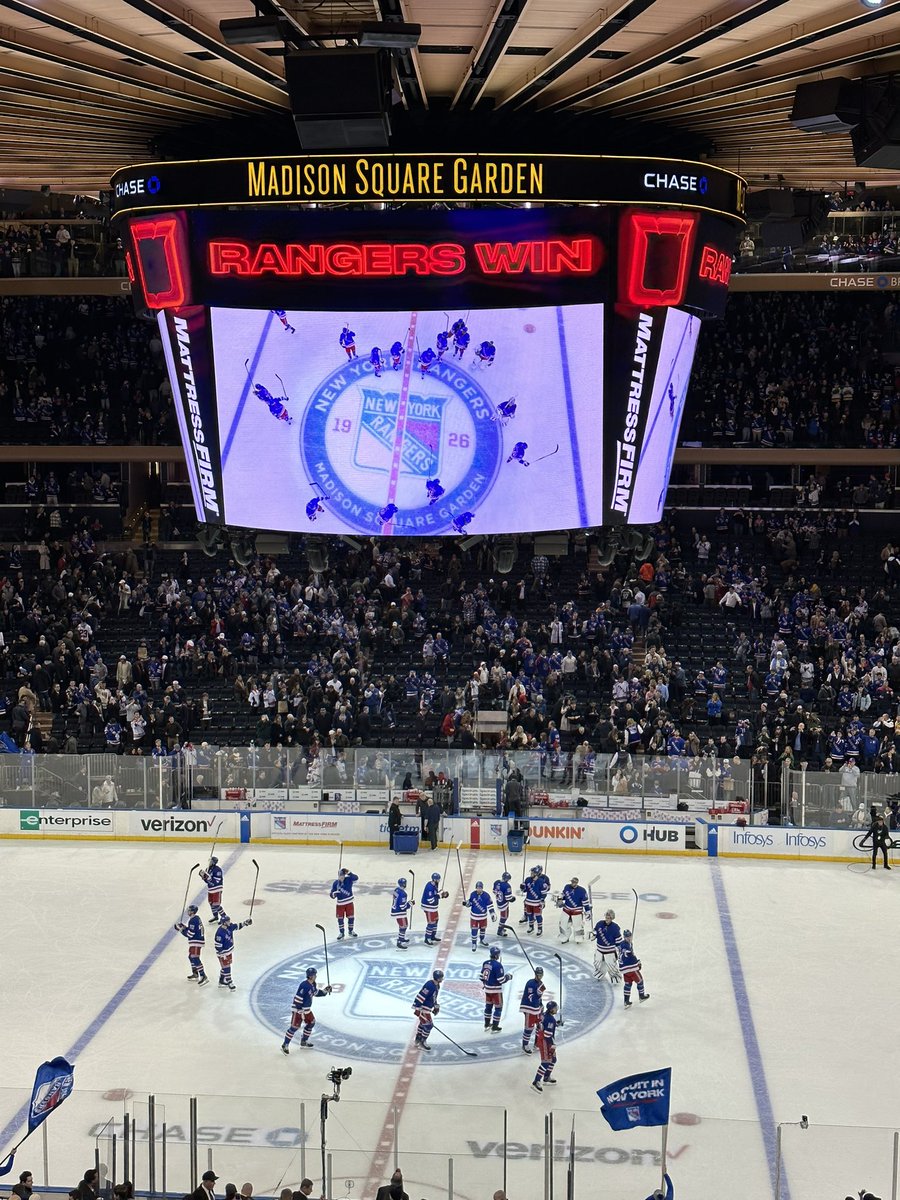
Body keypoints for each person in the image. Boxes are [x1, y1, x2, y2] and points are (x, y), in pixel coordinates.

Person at [281, 967, 332, 1053]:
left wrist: (325, 991)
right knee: (294, 1027)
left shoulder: (313, 984)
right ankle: (285, 1045)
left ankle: (304, 1041)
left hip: (307, 1010)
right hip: (298, 1010)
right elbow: (297, 998)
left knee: (311, 1023)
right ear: (311, 976)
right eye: (315, 974)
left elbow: (316, 993)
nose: (316, 976)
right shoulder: (304, 985)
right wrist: (299, 1010)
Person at [214, 912, 252, 990]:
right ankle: (229, 982)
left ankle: (221, 981)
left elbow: (237, 926)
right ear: (224, 923)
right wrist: (222, 954)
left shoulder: (229, 927)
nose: (229, 922)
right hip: (223, 953)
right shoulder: (219, 933)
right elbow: (217, 945)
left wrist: (245, 923)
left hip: (228, 951)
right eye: (227, 921)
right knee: (227, 967)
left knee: (226, 966)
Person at [480, 944, 512, 1032]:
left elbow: (481, 976)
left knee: (488, 1006)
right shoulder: (498, 965)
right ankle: (495, 1026)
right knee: (498, 1008)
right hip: (496, 991)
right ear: (497, 955)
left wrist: (486, 983)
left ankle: (486, 1024)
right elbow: (501, 980)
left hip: (487, 989)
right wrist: (508, 977)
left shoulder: (485, 963)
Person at [175, 905, 208, 986]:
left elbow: (190, 934)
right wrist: (184, 927)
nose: (187, 911)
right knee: (191, 957)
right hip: (197, 940)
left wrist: (181, 929)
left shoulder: (192, 920)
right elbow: (191, 930)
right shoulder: (196, 918)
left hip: (196, 941)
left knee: (195, 957)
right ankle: (195, 973)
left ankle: (203, 976)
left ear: (192, 911)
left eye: (189, 910)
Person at [531, 999, 560, 1092]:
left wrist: (556, 1024)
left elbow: (545, 1025)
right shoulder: (551, 1019)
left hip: (542, 1039)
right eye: (555, 1008)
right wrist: (552, 1045)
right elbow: (547, 1034)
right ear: (551, 1009)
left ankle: (546, 1077)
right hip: (545, 1042)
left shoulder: (544, 1015)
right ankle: (536, 1082)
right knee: (546, 1062)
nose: (556, 1009)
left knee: (553, 1059)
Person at [412, 968, 443, 1051]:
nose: (442, 979)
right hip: (423, 1009)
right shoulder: (429, 985)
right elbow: (421, 996)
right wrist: (417, 1008)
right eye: (441, 977)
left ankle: (418, 1039)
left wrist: (435, 1005)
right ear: (437, 978)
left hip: (427, 1008)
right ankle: (422, 1042)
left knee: (423, 1024)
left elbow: (433, 997)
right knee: (428, 1025)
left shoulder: (437, 985)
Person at [619, 929, 650, 1007]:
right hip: (631, 968)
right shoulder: (626, 945)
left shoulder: (622, 944)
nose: (628, 938)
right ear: (624, 937)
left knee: (628, 984)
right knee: (640, 981)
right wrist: (637, 962)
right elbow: (629, 954)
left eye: (630, 936)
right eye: (627, 937)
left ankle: (626, 1001)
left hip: (624, 968)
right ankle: (641, 996)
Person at [591, 908, 623, 983]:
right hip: (599, 950)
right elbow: (595, 932)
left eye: (609, 918)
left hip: (610, 952)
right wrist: (593, 934)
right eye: (606, 917)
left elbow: (619, 942)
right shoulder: (599, 924)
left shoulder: (615, 928)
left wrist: (620, 950)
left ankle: (615, 976)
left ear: (612, 918)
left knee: (611, 965)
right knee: (597, 962)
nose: (607, 919)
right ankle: (600, 972)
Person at [519, 965, 545, 1054]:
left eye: (541, 974)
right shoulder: (530, 983)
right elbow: (531, 997)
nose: (540, 976)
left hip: (537, 1009)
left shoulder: (540, 983)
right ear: (535, 974)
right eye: (538, 974)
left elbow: (538, 998)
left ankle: (537, 1044)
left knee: (540, 1026)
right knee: (529, 1028)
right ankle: (525, 1045)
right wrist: (538, 993)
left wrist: (541, 1005)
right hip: (529, 1009)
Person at [463, 880, 496, 951]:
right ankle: (474, 943)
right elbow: (470, 903)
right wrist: (466, 903)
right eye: (478, 888)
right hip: (474, 917)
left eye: (480, 888)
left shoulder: (486, 896)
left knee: (483, 929)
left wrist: (492, 913)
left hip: (483, 917)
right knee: (474, 930)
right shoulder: (472, 894)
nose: (479, 889)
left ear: (482, 888)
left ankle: (482, 940)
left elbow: (490, 905)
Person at [558, 877, 590, 944]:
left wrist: (587, 911)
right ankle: (564, 937)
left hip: (577, 911)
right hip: (566, 910)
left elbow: (585, 903)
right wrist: (560, 899)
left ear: (577, 883)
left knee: (577, 926)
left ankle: (579, 938)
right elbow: (563, 895)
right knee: (564, 924)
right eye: (572, 882)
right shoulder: (567, 887)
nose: (572, 883)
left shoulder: (582, 891)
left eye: (574, 882)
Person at [329, 867, 359, 939]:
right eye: (340, 876)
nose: (341, 877)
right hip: (340, 905)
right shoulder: (336, 883)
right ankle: (341, 932)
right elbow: (331, 894)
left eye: (343, 876)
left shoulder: (349, 879)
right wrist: (334, 894)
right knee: (340, 919)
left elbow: (356, 878)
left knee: (351, 917)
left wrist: (349, 872)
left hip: (349, 902)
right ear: (338, 876)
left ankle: (351, 931)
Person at [520, 864, 550, 935]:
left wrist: (542, 900)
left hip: (537, 902)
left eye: (532, 873)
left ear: (536, 874)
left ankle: (540, 929)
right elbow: (525, 890)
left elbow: (544, 892)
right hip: (528, 901)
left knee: (538, 915)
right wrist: (522, 888)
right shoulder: (527, 879)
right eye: (531, 873)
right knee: (529, 914)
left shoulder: (541, 881)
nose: (531, 874)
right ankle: (531, 927)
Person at [421, 872, 448, 945]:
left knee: (436, 920)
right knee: (431, 922)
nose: (439, 881)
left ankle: (432, 935)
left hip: (433, 908)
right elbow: (430, 900)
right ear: (435, 880)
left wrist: (441, 894)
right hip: (429, 908)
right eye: (438, 880)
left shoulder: (434, 885)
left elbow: (435, 895)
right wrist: (439, 895)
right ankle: (427, 938)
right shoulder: (429, 887)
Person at [199, 856, 224, 924]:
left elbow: (217, 881)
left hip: (217, 889)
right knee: (211, 903)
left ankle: (224, 917)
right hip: (210, 889)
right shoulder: (208, 869)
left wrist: (208, 878)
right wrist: (204, 877)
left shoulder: (218, 870)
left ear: (213, 862)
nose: (209, 862)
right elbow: (208, 881)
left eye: (211, 861)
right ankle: (215, 916)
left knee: (216, 904)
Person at [391, 877, 414, 949]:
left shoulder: (396, 890)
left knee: (404, 925)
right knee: (403, 926)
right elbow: (402, 906)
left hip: (395, 910)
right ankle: (399, 941)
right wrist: (410, 904)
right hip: (400, 912)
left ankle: (402, 938)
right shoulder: (403, 894)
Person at [492, 871, 515, 936]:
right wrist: (512, 899)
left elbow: (494, 891)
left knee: (504, 916)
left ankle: (501, 927)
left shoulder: (496, 882)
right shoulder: (507, 886)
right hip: (504, 904)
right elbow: (508, 898)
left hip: (499, 902)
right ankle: (500, 930)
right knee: (504, 917)